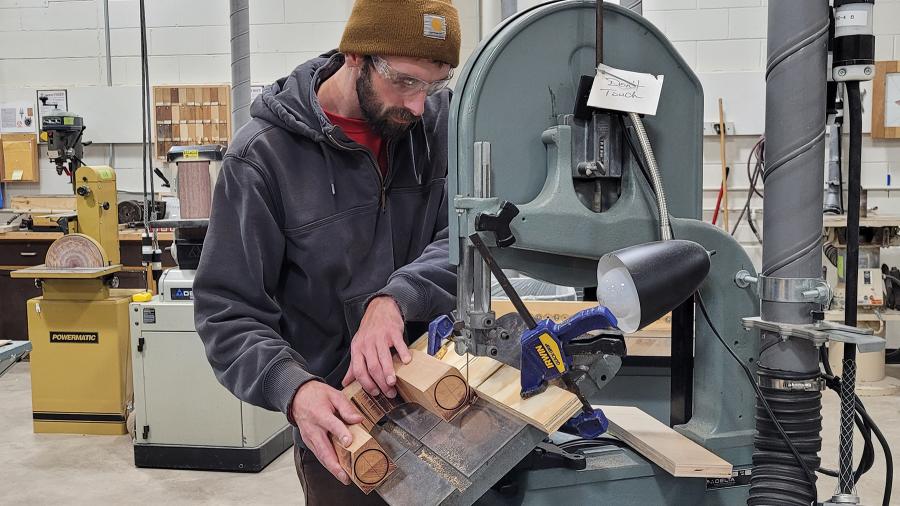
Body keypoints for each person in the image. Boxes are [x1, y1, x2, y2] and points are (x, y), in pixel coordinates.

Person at [193, 1, 461, 504]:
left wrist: (395, 299)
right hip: (344, 422)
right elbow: (227, 312)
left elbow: (467, 240)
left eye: (436, 84)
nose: (421, 104)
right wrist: (294, 390)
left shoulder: (437, 128)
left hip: (445, 402)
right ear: (355, 55)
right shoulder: (262, 159)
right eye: (405, 82)